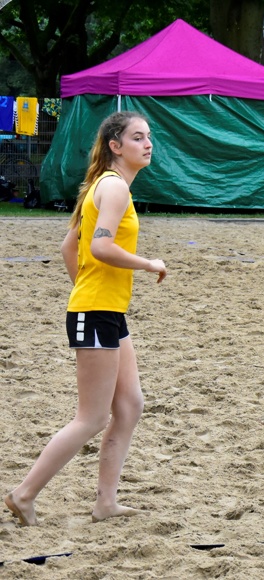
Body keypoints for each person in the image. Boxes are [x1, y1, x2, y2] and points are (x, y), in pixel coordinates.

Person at [4, 111, 167, 526]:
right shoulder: (113, 189)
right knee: (91, 417)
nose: (147, 144)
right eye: (137, 137)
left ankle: (105, 503)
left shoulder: (103, 185)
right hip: (96, 310)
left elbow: (67, 248)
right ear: (116, 145)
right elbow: (99, 248)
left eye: (148, 137)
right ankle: (23, 494)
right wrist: (147, 264)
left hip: (105, 309)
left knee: (130, 405)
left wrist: (89, 289)